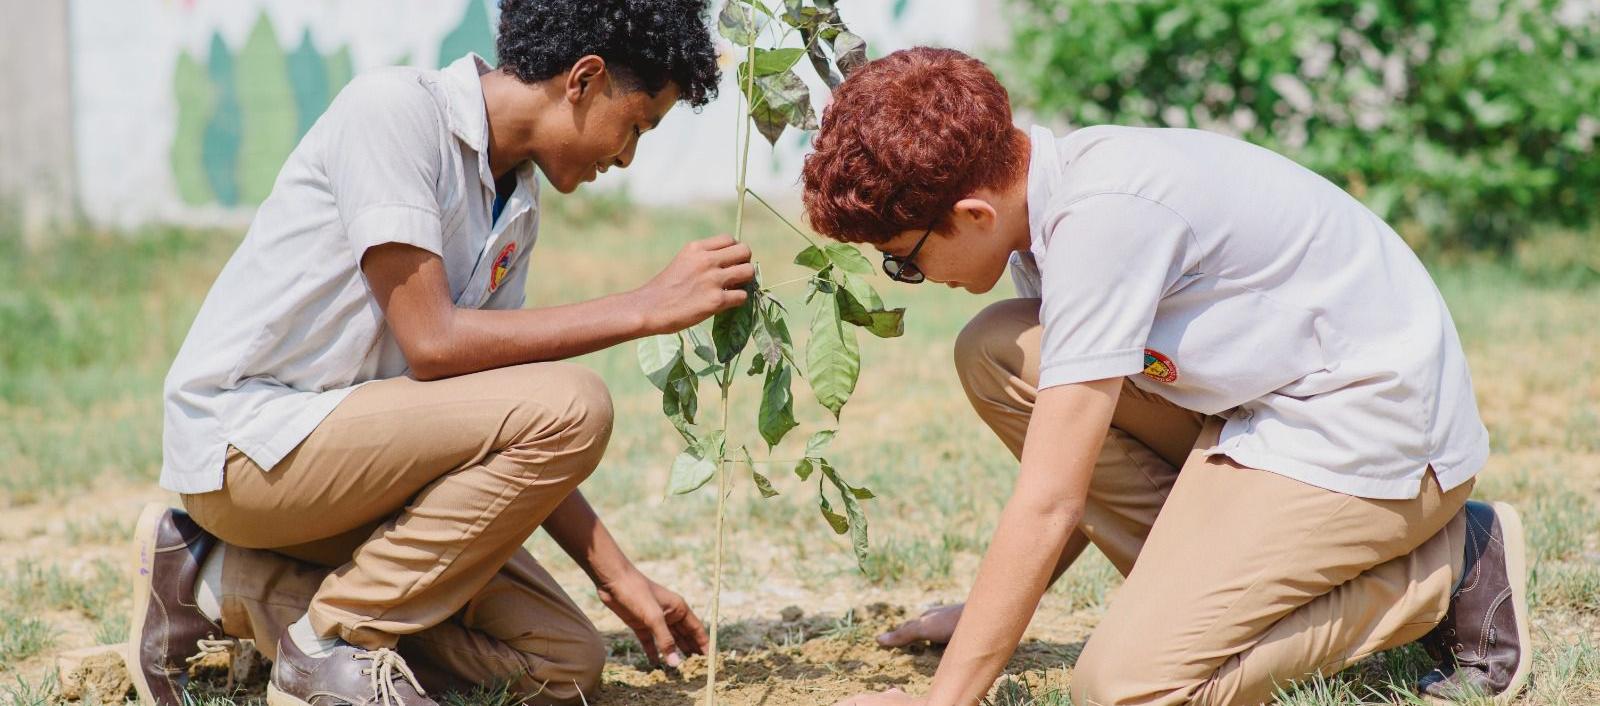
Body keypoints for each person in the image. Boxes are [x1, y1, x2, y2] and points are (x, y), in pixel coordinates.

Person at [802, 47, 1530, 706]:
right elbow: (1077, 463)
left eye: (906, 258)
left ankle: (1448, 566)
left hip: (1372, 436)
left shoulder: (1103, 222)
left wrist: (944, 701)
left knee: (1125, 687)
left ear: (972, 212)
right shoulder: (1045, 209)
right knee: (998, 349)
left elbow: (1051, 498)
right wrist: (982, 622)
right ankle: (1216, 604)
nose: (910, 277)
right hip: (1268, 410)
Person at [127, 2, 749, 705]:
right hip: (249, 453)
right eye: (636, 124)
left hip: (355, 476)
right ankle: (331, 644)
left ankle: (218, 583)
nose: (627, 154)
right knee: (576, 403)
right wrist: (643, 307)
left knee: (561, 663)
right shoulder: (393, 112)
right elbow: (433, 343)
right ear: (584, 79)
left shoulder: (516, 200)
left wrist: (619, 577)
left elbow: (504, 412)